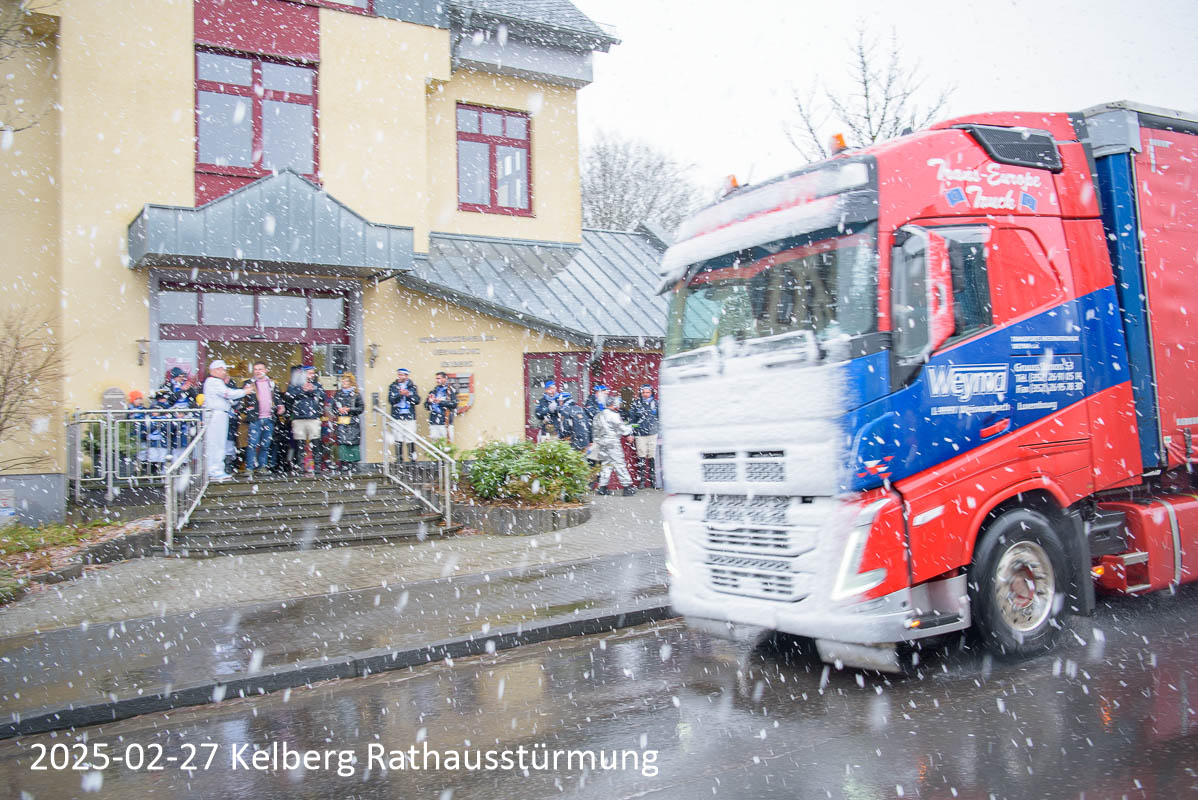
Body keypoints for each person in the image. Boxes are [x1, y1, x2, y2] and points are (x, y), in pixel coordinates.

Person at [201, 360, 247, 482]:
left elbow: (227, 397)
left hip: (220, 414)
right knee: (216, 443)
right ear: (216, 370)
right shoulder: (213, 382)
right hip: (216, 415)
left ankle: (216, 470)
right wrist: (244, 391)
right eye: (223, 370)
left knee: (219, 443)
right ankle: (214, 471)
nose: (225, 372)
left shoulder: (214, 382)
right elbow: (228, 393)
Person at [241, 361, 285, 478]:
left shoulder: (272, 383)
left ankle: (262, 466)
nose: (258, 371)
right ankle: (249, 467)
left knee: (265, 445)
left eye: (260, 369)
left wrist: (280, 405)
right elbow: (243, 399)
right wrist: (247, 409)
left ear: (266, 370)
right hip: (255, 418)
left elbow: (277, 397)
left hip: (269, 418)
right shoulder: (249, 383)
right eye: (256, 369)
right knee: (252, 444)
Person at [591, 395, 636, 496]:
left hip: (602, 443)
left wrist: (597, 441)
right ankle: (627, 487)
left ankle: (602, 487)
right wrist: (629, 433)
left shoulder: (598, 415)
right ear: (613, 404)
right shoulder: (614, 415)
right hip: (613, 442)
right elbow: (621, 427)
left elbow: (595, 431)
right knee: (619, 464)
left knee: (606, 464)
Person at [287, 365, 326, 475]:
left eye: (313, 373)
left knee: (316, 442)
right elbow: (289, 396)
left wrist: (313, 390)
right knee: (300, 444)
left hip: (313, 418)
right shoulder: (295, 385)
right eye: (310, 373)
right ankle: (300, 465)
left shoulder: (317, 385)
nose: (312, 375)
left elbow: (322, 397)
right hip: (299, 418)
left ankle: (317, 466)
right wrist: (302, 390)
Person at [628, 383, 660, 488]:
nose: (645, 394)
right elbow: (632, 420)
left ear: (651, 393)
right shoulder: (636, 404)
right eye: (644, 392)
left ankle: (653, 480)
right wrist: (631, 433)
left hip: (653, 433)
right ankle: (642, 480)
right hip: (640, 434)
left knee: (652, 457)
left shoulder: (656, 403)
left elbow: (660, 418)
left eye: (648, 392)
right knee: (641, 456)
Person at [332, 372, 365, 473]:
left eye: (346, 381)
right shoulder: (338, 394)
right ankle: (343, 463)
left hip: (353, 421)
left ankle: (353, 464)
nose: (344, 383)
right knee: (342, 442)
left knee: (353, 443)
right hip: (342, 421)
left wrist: (350, 409)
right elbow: (333, 408)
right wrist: (339, 410)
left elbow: (361, 408)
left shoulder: (356, 394)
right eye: (343, 381)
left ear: (351, 382)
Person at [387, 367, 420, 462]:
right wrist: (400, 394)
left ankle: (412, 460)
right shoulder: (393, 386)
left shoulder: (412, 387)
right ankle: (399, 460)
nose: (399, 376)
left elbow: (417, 400)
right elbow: (391, 400)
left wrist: (408, 395)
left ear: (406, 376)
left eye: (401, 375)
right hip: (397, 416)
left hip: (409, 416)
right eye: (399, 374)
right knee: (398, 438)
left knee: (411, 438)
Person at [425, 371, 459, 444]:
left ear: (445, 379)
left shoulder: (449, 391)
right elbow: (426, 406)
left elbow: (454, 404)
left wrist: (440, 402)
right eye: (436, 379)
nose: (437, 380)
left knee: (447, 444)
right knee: (435, 444)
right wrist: (429, 402)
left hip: (445, 422)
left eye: (439, 378)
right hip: (434, 422)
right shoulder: (433, 391)